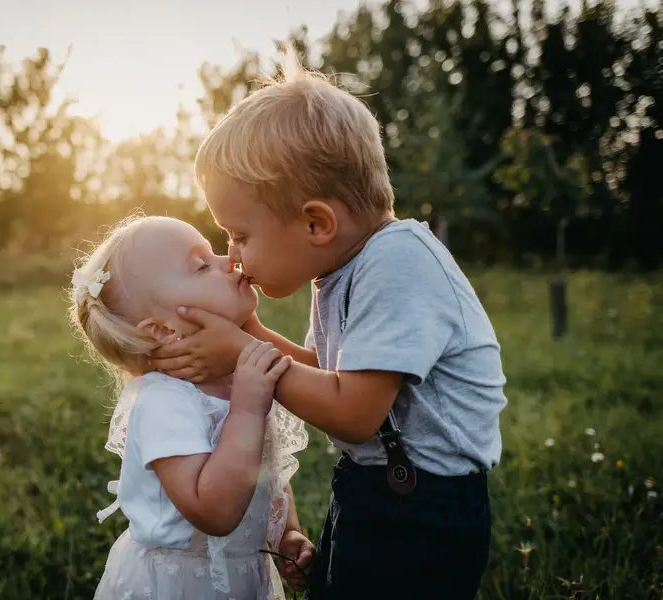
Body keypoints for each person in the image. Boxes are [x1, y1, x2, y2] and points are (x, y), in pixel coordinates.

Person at [149, 50, 507, 599]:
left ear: (316, 222)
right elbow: (326, 371)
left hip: (425, 512)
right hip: (372, 489)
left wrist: (242, 355)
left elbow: (354, 410)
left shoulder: (398, 264)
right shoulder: (343, 268)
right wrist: (251, 333)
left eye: (240, 235)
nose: (234, 256)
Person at [69, 214, 313, 599]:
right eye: (202, 266)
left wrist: (287, 533)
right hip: (179, 585)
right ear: (164, 330)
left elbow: (265, 474)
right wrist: (247, 409)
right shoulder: (164, 401)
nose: (227, 260)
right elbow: (212, 511)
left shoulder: (238, 377)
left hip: (243, 577)